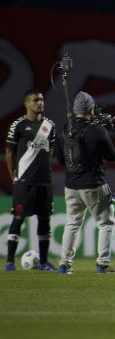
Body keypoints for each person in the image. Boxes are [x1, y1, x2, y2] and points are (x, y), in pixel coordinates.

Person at [56, 91, 115, 274]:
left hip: (71, 185)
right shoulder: (97, 129)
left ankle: (64, 264)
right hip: (93, 183)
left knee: (72, 224)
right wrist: (101, 133)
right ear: (91, 108)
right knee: (105, 223)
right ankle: (103, 264)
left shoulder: (65, 128)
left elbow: (60, 160)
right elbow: (112, 156)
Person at [5, 90, 57, 271]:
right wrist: (14, 176)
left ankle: (43, 262)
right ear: (27, 104)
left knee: (45, 220)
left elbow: (50, 149)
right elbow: (10, 152)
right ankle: (10, 261)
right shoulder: (18, 125)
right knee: (18, 218)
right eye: (36, 100)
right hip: (24, 181)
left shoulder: (50, 125)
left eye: (42, 100)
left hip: (44, 182)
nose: (40, 103)